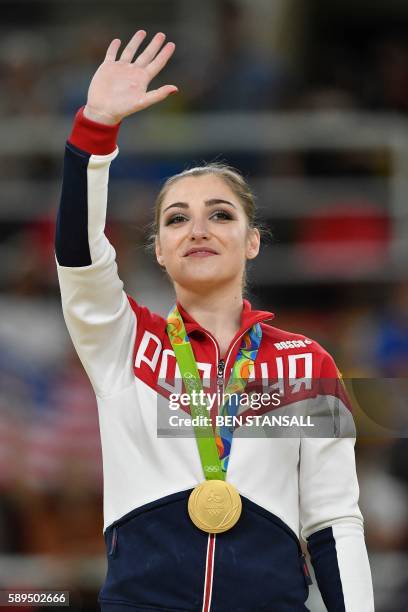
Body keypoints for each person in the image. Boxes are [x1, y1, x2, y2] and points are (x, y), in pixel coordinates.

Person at [55, 30, 374, 612]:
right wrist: (94, 129)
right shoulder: (123, 341)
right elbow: (79, 259)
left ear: (252, 241)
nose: (198, 229)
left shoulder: (306, 364)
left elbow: (332, 523)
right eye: (177, 219)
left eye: (219, 215)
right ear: (158, 249)